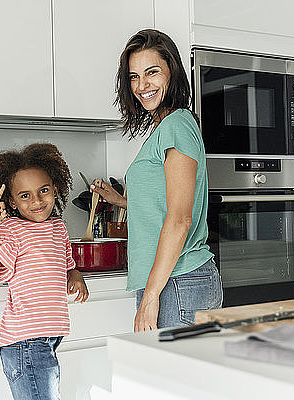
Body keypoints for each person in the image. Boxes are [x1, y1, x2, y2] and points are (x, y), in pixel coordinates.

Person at [91, 29, 222, 332]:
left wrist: (150, 297)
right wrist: (122, 200)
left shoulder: (176, 125)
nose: (142, 85)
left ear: (172, 72)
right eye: (134, 76)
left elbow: (180, 220)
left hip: (176, 282)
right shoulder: (167, 127)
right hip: (174, 281)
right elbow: (169, 199)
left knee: (170, 379)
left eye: (152, 73)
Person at [0, 142, 89, 400]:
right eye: (25, 195)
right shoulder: (12, 230)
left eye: (43, 191)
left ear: (55, 190)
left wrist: (75, 274)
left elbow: (64, 262)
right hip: (26, 341)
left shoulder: (58, 228)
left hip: (49, 337)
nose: (36, 201)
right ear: (12, 201)